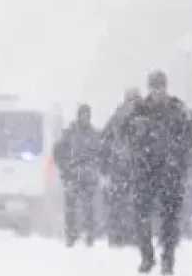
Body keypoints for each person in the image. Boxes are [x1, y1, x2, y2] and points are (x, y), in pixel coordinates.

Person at [124, 70, 192, 275]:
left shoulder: (178, 108)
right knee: (141, 215)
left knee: (170, 217)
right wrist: (138, 147)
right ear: (149, 89)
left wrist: (178, 148)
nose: (158, 91)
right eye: (154, 87)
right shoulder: (139, 109)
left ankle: (168, 259)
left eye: (161, 87)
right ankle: (147, 256)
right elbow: (124, 133)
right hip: (145, 170)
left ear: (166, 87)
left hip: (170, 170)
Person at [53, 104, 101, 247]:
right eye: (83, 114)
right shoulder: (70, 133)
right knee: (71, 207)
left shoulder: (94, 134)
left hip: (88, 175)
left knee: (89, 207)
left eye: (87, 115)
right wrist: (64, 168)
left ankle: (89, 234)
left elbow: (100, 153)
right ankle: (71, 234)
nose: (85, 117)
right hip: (72, 174)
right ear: (78, 116)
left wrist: (95, 168)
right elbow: (58, 151)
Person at [100, 87, 140, 247]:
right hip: (132, 168)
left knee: (120, 205)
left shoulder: (117, 116)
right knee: (132, 204)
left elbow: (104, 142)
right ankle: (130, 236)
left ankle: (118, 237)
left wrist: (104, 168)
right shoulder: (143, 116)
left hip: (121, 168)